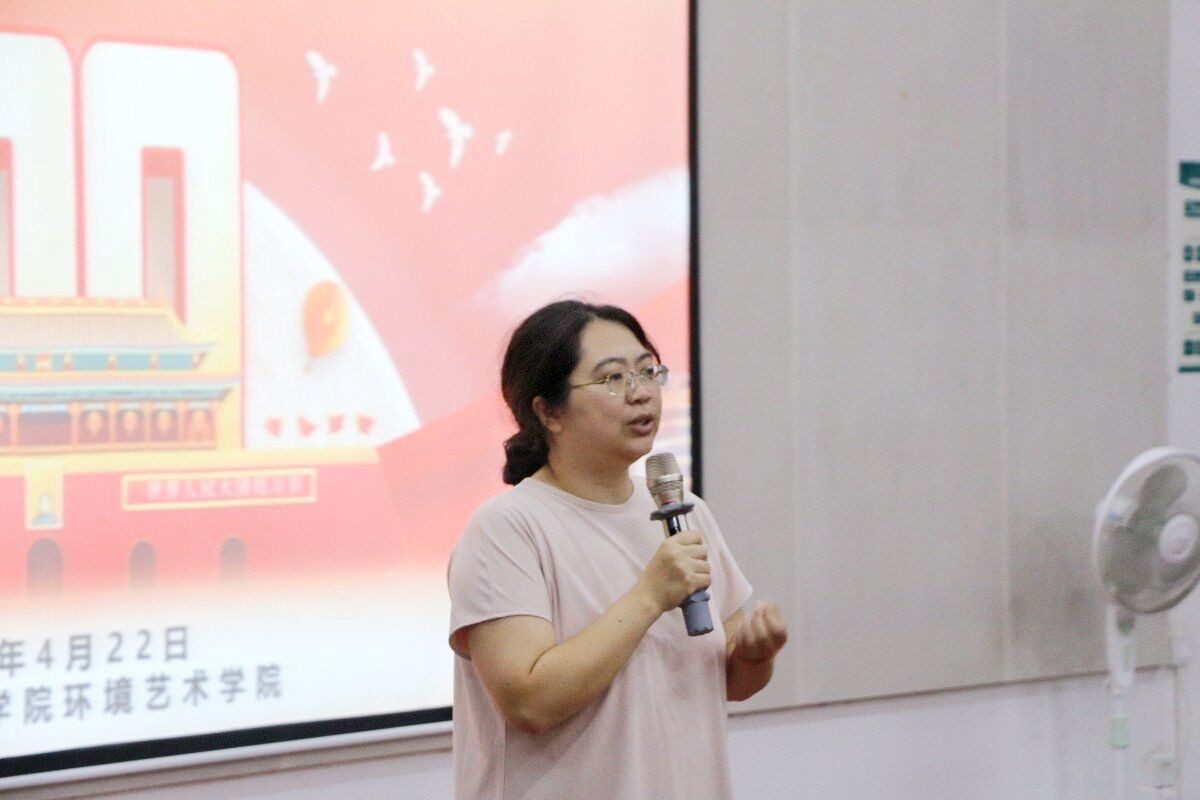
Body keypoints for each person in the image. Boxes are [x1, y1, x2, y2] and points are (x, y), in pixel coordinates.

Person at [447, 299, 788, 799]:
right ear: (548, 412)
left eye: (648, 372)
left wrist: (756, 656)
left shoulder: (683, 510)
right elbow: (529, 703)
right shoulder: (506, 530)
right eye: (612, 378)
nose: (641, 392)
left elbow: (731, 682)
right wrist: (649, 596)